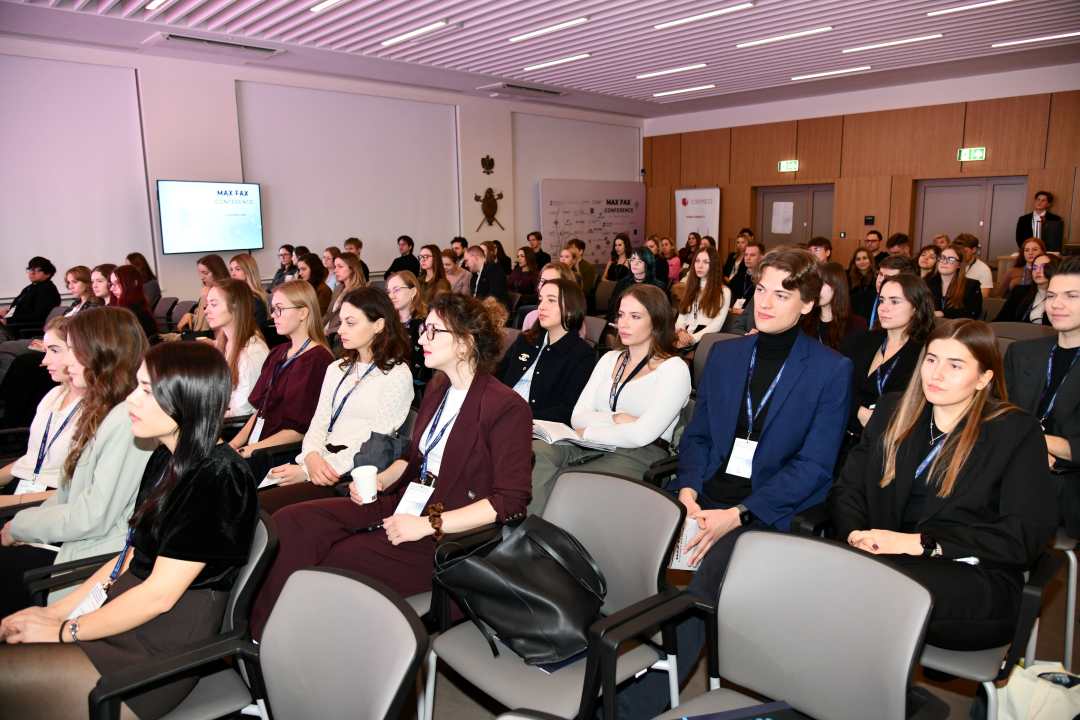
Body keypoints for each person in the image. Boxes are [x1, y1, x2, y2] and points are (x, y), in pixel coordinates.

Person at [614, 249, 852, 719]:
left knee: (704, 578)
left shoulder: (830, 370)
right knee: (631, 548)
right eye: (761, 289)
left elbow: (814, 467)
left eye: (782, 294)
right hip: (703, 493)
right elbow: (699, 435)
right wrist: (687, 491)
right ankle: (622, 658)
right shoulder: (725, 354)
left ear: (806, 304)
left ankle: (629, 708)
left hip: (765, 508)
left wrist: (737, 515)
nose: (765, 303)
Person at [0, 341, 258, 720]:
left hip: (159, 648)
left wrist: (65, 630)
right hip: (125, 616)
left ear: (184, 399)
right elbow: (130, 556)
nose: (132, 401)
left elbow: (159, 596)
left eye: (147, 391)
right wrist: (57, 615)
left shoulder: (218, 477)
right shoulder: (166, 458)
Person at [250, 293, 532, 638]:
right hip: (406, 501)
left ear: (464, 343)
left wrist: (429, 525)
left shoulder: (506, 407)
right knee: (293, 523)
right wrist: (382, 478)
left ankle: (294, 643)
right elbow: (415, 459)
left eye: (433, 331)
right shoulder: (439, 388)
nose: (421, 337)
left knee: (340, 556)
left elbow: (510, 501)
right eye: (423, 329)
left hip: (450, 530)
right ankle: (260, 634)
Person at [831, 319, 1056, 650]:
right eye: (931, 360)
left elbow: (1022, 536)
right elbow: (848, 489)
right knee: (824, 579)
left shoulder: (1015, 432)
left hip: (971, 574)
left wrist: (920, 544)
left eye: (955, 365)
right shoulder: (893, 410)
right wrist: (856, 535)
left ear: (984, 378)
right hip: (882, 558)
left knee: (861, 591)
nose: (935, 374)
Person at [0, 308, 152, 617]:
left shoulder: (126, 418)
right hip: (75, 542)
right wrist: (24, 525)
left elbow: (93, 516)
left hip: (91, 559)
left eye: (73, 350)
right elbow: (70, 492)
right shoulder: (103, 408)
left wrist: (21, 527)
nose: (66, 361)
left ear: (103, 354)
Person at [530, 284, 690, 514]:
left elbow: (641, 434)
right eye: (621, 315)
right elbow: (577, 417)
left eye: (635, 316)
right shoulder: (610, 358)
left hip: (642, 453)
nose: (623, 324)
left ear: (656, 320)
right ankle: (533, 533)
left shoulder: (674, 369)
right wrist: (618, 418)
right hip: (590, 443)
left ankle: (558, 539)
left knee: (576, 482)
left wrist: (592, 429)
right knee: (538, 456)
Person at [259, 287, 414, 513]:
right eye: (341, 322)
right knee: (253, 495)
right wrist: (310, 458)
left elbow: (373, 445)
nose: (341, 330)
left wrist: (310, 471)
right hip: (317, 462)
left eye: (351, 323)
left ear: (379, 325)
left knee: (264, 507)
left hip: (346, 476)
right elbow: (319, 422)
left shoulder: (397, 375)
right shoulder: (337, 368)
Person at [1005, 256, 1080, 536]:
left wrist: (1032, 444)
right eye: (1051, 296)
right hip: (1013, 463)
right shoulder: (1022, 353)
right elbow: (998, 414)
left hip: (1066, 479)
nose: (1057, 304)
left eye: (1071, 296)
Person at [229, 281, 334, 475]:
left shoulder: (318, 360)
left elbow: (298, 431)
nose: (273, 316)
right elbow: (261, 411)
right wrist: (234, 444)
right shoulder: (279, 352)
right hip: (259, 446)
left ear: (303, 313)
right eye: (272, 310)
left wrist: (252, 449)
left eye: (280, 309)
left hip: (280, 453)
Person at [843, 274, 935, 450]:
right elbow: (836, 387)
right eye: (882, 300)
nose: (883, 308)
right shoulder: (860, 341)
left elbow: (914, 408)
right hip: (842, 435)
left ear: (916, 307)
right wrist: (858, 411)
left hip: (886, 445)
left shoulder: (925, 353)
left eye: (894, 302)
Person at [0, 317, 82, 505]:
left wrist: (12, 501)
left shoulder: (95, 410)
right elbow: (31, 460)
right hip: (22, 487)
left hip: (43, 501)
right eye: (45, 351)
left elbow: (79, 495)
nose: (44, 361)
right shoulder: (54, 395)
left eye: (54, 350)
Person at [499, 278, 595, 425]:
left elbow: (567, 410)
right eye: (541, 300)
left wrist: (521, 417)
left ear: (570, 309)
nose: (541, 307)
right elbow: (497, 377)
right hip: (501, 413)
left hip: (533, 426)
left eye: (551, 300)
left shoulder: (581, 355)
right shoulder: (525, 340)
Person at [205, 279, 269, 418]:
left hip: (236, 429)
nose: (206, 310)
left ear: (235, 306)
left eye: (213, 304)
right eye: (207, 304)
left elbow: (243, 411)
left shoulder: (251, 352)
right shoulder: (226, 343)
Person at [803, 262, 867, 352]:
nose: (817, 288)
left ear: (837, 286)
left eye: (823, 283)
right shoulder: (805, 322)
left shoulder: (856, 325)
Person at [675, 247, 730, 351]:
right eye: (697, 261)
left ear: (714, 265)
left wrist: (692, 339)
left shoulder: (724, 292)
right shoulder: (690, 286)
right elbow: (681, 317)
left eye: (706, 262)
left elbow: (716, 325)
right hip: (685, 334)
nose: (700, 265)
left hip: (705, 338)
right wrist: (680, 332)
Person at [387, 271, 433, 388]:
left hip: (417, 385)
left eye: (396, 290)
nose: (391, 295)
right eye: (389, 292)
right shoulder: (387, 322)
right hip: (390, 381)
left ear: (413, 292)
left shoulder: (426, 323)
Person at [0, 257, 61, 340]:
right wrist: (7, 312)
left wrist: (9, 320)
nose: (32, 273)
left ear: (48, 274)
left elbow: (38, 317)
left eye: (37, 270)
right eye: (30, 269)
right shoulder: (31, 287)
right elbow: (20, 307)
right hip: (14, 324)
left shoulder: (47, 290)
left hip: (25, 330)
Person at [606, 247, 666, 326]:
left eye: (639, 261)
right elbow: (612, 306)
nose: (635, 263)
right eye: (632, 260)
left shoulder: (658, 287)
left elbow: (661, 314)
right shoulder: (622, 283)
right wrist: (616, 319)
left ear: (648, 263)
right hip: (622, 323)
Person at [996, 252, 1057, 324]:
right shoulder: (1019, 291)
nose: (1037, 271)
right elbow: (1001, 319)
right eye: (1035, 267)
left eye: (1043, 267)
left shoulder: (1060, 297)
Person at [858, 255, 919, 326]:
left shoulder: (908, 307)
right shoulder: (860, 300)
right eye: (880, 274)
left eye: (888, 277)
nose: (880, 280)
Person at [175, 255, 228, 334]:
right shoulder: (208, 290)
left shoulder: (226, 293)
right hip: (199, 336)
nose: (202, 278)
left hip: (208, 338)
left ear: (217, 272)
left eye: (205, 273)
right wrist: (191, 316)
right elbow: (202, 322)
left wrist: (205, 298)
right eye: (200, 273)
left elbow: (209, 326)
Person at [928, 245, 983, 320]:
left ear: (959, 265)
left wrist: (942, 313)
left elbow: (971, 313)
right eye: (942, 257)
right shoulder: (927, 282)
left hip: (958, 328)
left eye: (951, 259)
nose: (944, 262)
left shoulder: (971, 285)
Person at [722, 240, 765, 334]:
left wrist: (744, 311)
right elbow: (728, 291)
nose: (747, 258)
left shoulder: (764, 282)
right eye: (746, 255)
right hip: (734, 316)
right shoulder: (740, 275)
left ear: (762, 257)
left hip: (751, 321)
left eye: (752, 255)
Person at [108, 265, 158, 340]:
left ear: (134, 283)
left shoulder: (132, 311)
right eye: (111, 284)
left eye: (117, 283)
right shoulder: (128, 308)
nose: (112, 289)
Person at [325, 251, 366, 339]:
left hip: (341, 336)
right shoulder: (338, 288)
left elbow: (353, 323)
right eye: (335, 266)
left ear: (352, 269)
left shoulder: (359, 292)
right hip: (329, 334)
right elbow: (328, 314)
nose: (335, 270)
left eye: (340, 266)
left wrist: (328, 331)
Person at [227, 254, 270, 327]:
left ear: (248, 271)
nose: (233, 274)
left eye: (238, 269)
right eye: (231, 270)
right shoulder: (235, 296)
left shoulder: (255, 300)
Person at [848, 247, 877, 320]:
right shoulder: (848, 278)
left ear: (870, 260)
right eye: (858, 259)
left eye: (865, 258)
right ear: (854, 262)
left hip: (872, 318)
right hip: (854, 318)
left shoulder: (877, 277)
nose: (862, 262)